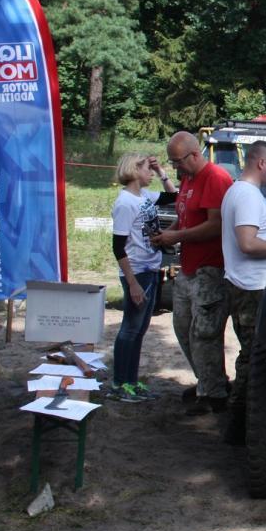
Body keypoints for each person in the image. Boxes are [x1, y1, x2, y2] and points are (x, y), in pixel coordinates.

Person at [151, 131, 234, 416]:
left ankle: (214, 394)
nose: (175, 167)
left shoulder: (215, 178)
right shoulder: (189, 178)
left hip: (209, 268)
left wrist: (177, 236)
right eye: (172, 162)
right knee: (183, 327)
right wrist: (169, 232)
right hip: (188, 266)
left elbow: (216, 224)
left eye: (177, 161)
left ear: (195, 154)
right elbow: (184, 216)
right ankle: (208, 381)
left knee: (205, 332)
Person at [220, 141, 266, 445]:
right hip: (252, 288)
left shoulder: (239, 192)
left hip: (248, 284)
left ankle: (241, 423)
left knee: (252, 355)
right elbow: (248, 243)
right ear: (261, 163)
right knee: (254, 357)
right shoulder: (247, 196)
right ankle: (238, 425)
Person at [109, 153, 176, 403]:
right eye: (148, 169)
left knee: (139, 329)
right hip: (136, 272)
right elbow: (118, 247)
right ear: (135, 170)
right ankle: (119, 384)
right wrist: (133, 283)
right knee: (130, 328)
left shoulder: (145, 196)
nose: (151, 173)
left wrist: (161, 172)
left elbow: (174, 197)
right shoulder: (125, 203)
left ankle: (131, 380)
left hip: (151, 268)